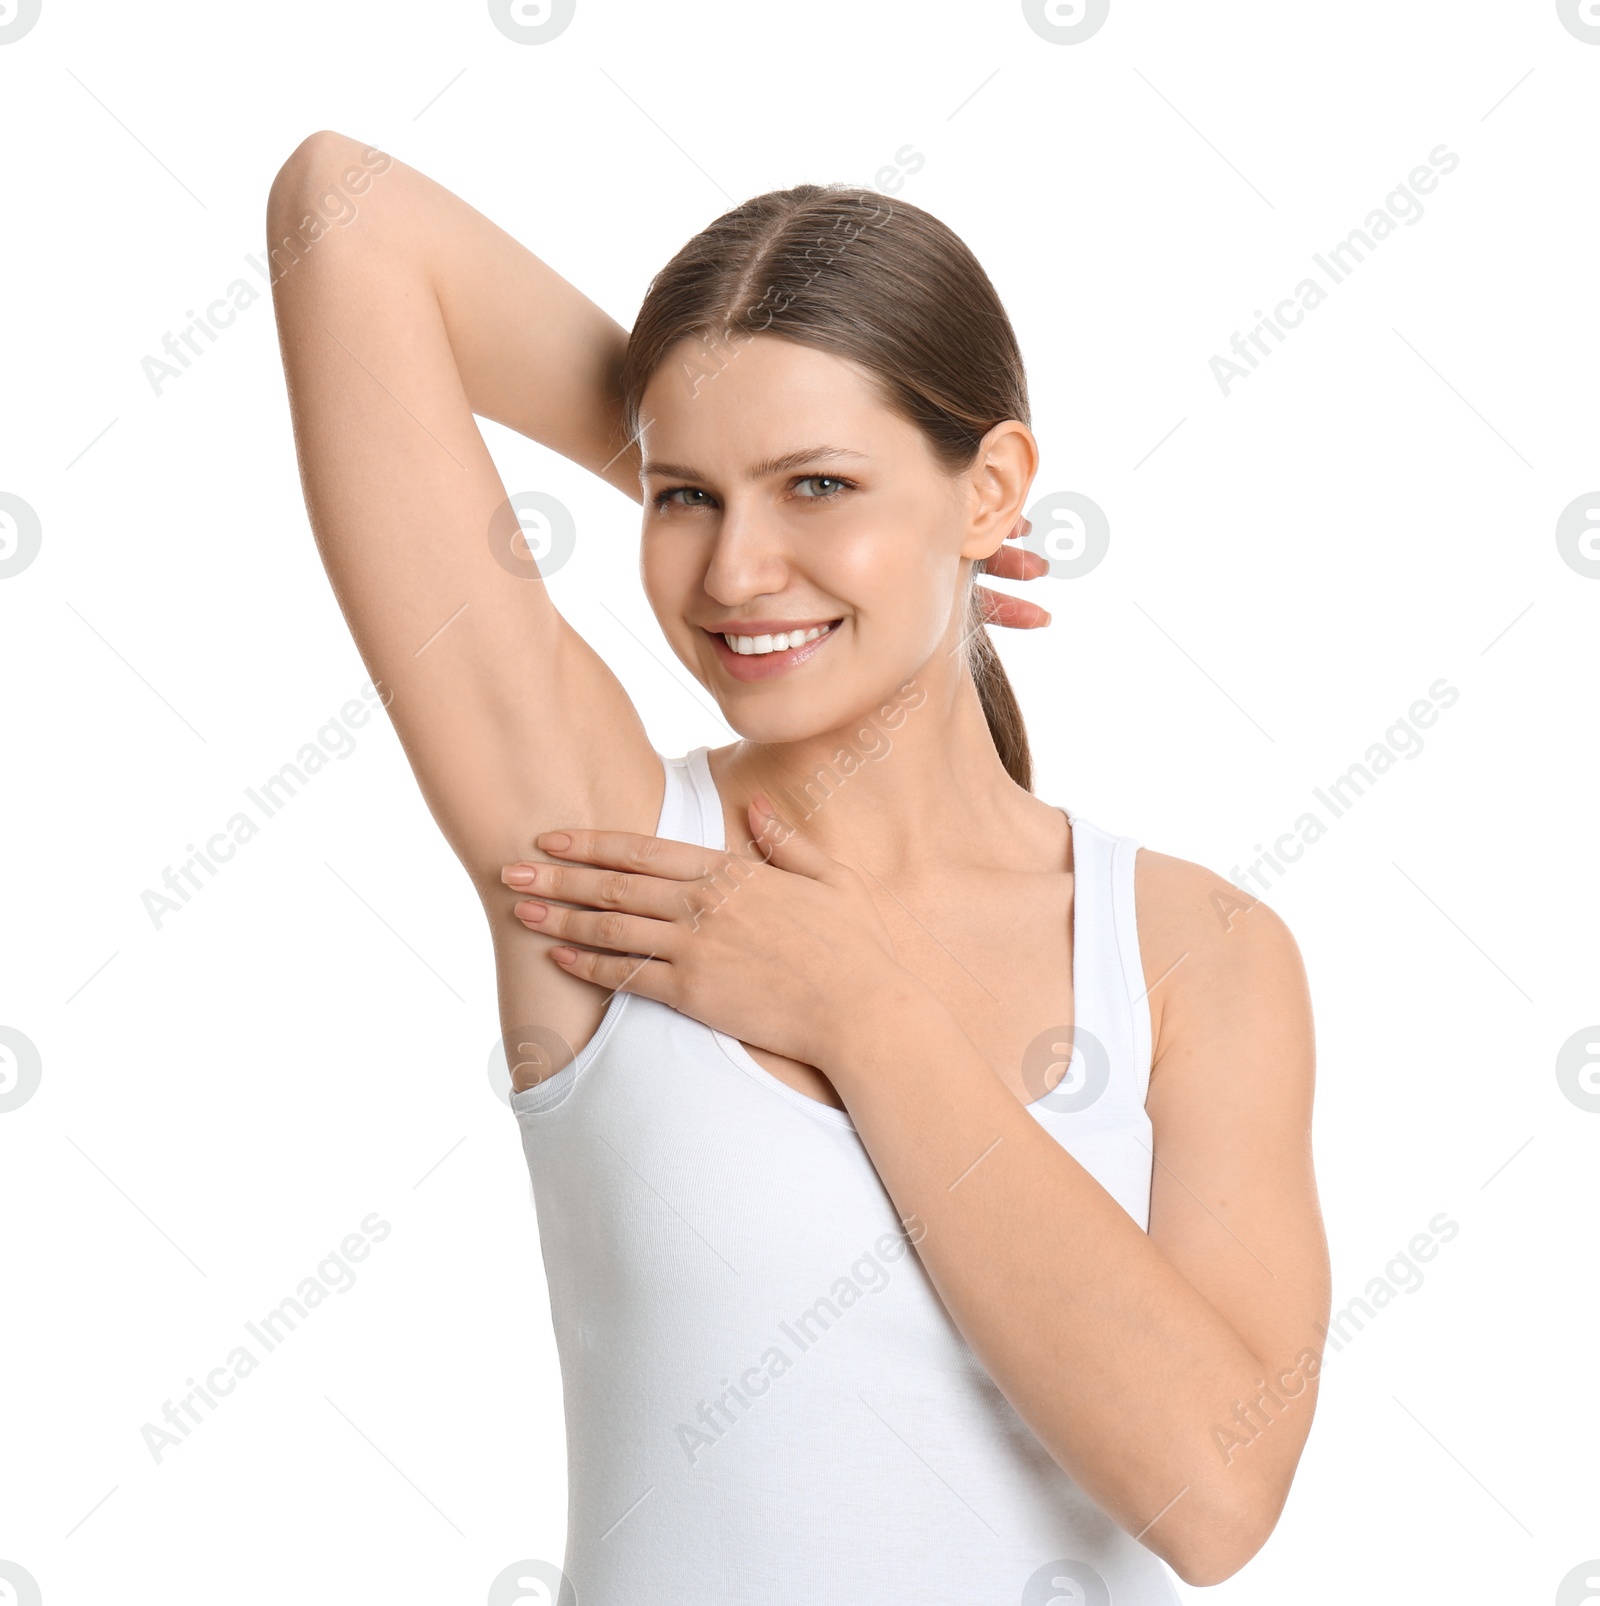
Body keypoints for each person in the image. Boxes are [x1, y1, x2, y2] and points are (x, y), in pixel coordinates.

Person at [267, 131, 1331, 1602]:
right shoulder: (612, 847)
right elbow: (343, 212)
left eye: (818, 486)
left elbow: (1212, 1496)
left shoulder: (1200, 951)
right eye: (685, 498)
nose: (731, 574)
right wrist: (687, 441)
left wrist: (866, 1014)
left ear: (994, 486)